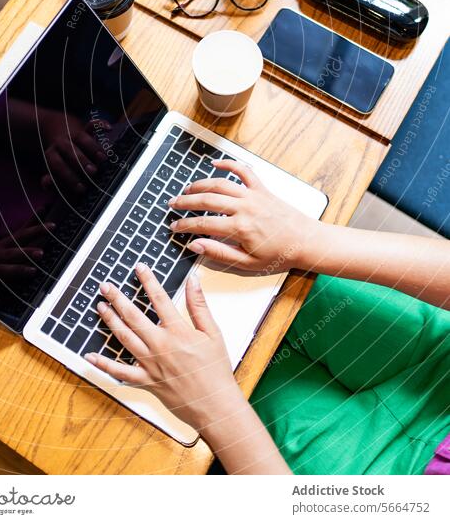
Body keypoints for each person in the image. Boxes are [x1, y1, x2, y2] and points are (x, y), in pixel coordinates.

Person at [85, 159, 450, 475]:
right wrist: (309, 238)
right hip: (438, 363)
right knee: (239, 262)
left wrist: (215, 406)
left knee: (167, 363)